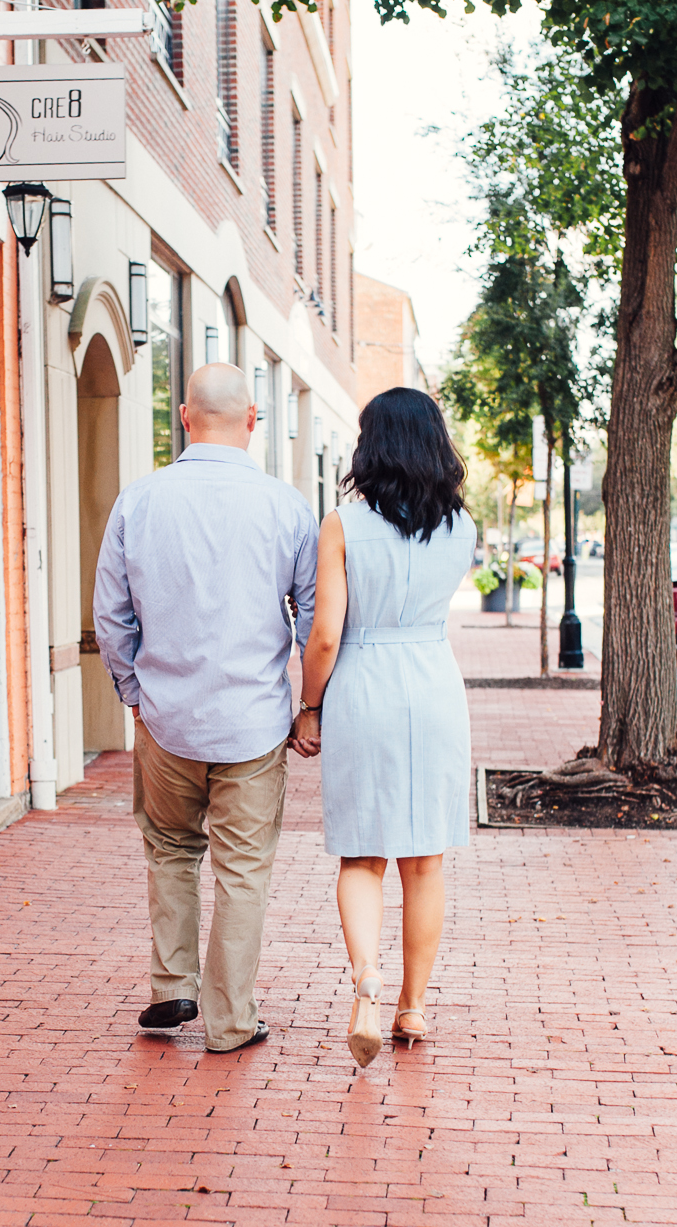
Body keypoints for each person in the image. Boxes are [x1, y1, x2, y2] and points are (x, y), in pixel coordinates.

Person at [93, 362, 318, 1053]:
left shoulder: (139, 501)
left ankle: (171, 988)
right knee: (243, 870)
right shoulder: (287, 507)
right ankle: (229, 1021)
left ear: (184, 417)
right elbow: (311, 613)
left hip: (165, 719)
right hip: (253, 722)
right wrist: (307, 704)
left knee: (170, 850)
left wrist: (134, 693)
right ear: (252, 421)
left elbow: (111, 615)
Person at [289, 387, 475, 1066]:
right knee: (425, 859)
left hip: (364, 685)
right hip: (431, 682)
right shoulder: (462, 528)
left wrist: (308, 706)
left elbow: (326, 637)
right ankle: (414, 1005)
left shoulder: (341, 524)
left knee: (363, 853)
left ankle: (366, 979)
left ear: (370, 446)